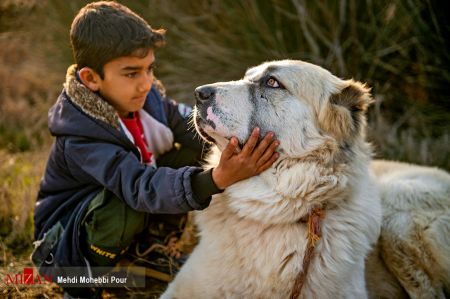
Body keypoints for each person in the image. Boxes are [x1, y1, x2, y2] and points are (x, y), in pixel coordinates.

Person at [32, 1, 279, 298]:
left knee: (195, 150)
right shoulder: (81, 137)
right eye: (131, 73)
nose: (146, 83)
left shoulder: (148, 100)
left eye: (149, 69)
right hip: (66, 245)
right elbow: (139, 187)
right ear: (91, 79)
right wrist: (218, 178)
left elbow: (189, 124)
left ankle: (148, 251)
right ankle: (87, 280)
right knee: (126, 202)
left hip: (123, 208)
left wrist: (238, 143)